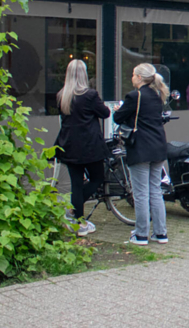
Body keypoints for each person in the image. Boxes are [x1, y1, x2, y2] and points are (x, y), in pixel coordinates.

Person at [114, 64, 169, 245]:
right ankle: (161, 233)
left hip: (140, 148)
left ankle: (141, 234)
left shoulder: (134, 96)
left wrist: (117, 110)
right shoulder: (157, 95)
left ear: (139, 77)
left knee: (140, 193)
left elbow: (118, 118)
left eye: (132, 74)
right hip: (158, 147)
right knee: (156, 191)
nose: (132, 78)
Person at [54, 60, 110, 237]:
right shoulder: (90, 95)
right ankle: (74, 213)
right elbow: (105, 113)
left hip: (69, 145)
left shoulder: (62, 95)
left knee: (76, 184)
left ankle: (78, 221)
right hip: (89, 145)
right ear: (84, 75)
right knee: (97, 178)